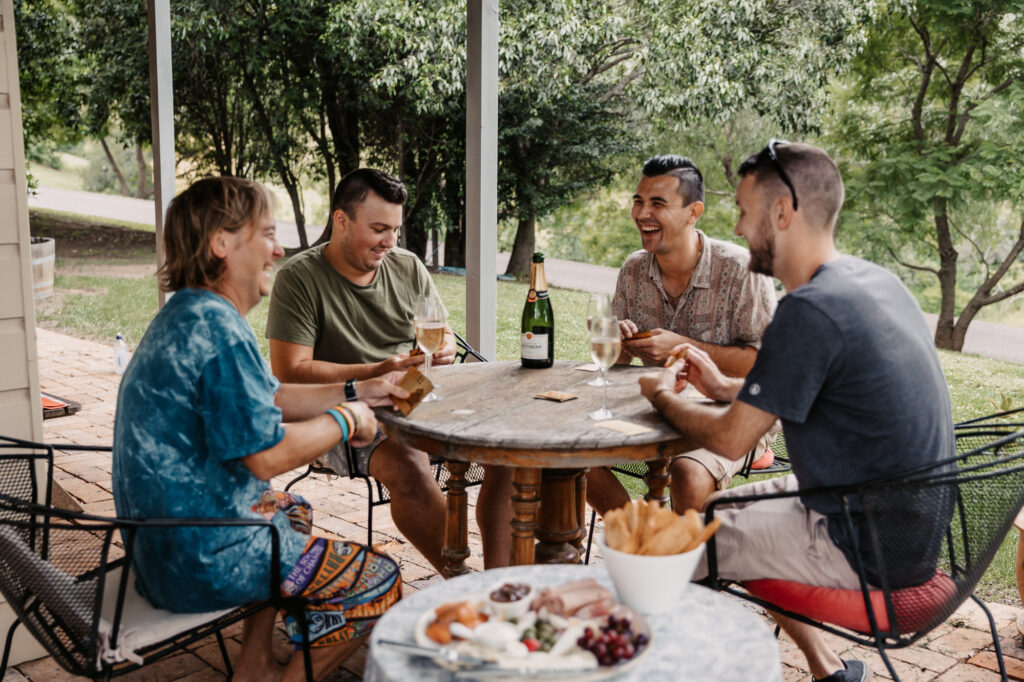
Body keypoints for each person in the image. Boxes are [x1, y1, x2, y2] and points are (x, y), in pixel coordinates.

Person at [638, 141, 955, 682]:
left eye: (743, 212)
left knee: (663, 562)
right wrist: (721, 384)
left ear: (781, 212)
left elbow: (730, 442)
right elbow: (805, 392)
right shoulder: (872, 282)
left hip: (859, 545)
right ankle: (828, 670)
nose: (737, 229)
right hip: (904, 530)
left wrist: (663, 397)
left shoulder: (808, 310)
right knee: (716, 511)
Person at [112, 177, 406, 682]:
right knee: (378, 579)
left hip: (165, 548)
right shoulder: (218, 331)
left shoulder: (192, 312)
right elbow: (265, 457)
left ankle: (253, 666)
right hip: (201, 556)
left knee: (291, 509)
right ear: (221, 243)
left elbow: (269, 399)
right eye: (267, 233)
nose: (281, 247)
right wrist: (347, 420)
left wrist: (363, 389)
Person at [266, 168, 513, 571]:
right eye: (379, 228)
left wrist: (444, 349)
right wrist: (377, 371)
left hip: (417, 393)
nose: (390, 242)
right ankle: (460, 578)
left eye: (395, 230)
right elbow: (290, 372)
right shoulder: (300, 278)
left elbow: (442, 334)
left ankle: (499, 582)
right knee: (407, 460)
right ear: (340, 220)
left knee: (508, 443)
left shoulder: (407, 266)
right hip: (345, 411)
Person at [587, 155, 777, 516]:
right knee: (564, 453)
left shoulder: (741, 270)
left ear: (694, 213)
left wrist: (682, 346)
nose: (643, 213)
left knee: (687, 473)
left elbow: (766, 367)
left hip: (735, 409)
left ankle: (693, 571)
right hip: (654, 410)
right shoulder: (632, 270)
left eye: (658, 204)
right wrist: (619, 342)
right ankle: (636, 532)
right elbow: (617, 363)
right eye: (638, 201)